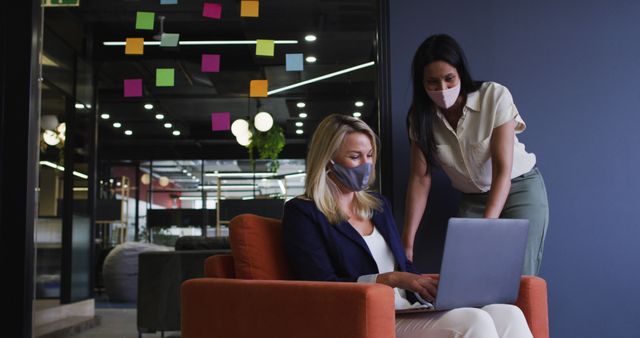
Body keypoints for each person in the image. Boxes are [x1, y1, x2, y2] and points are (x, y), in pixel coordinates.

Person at [282, 114, 533, 338]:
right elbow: (319, 284)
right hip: (368, 317)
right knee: (473, 321)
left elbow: (404, 266)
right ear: (328, 161)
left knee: (506, 312)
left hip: (410, 308)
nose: (366, 165)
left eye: (369, 155)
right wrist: (390, 279)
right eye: (355, 157)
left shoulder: (378, 206)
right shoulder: (303, 213)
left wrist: (430, 287)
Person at [403, 34, 549, 275]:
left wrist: (487, 226)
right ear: (422, 83)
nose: (443, 89)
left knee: (519, 273)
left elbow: (502, 169)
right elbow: (420, 178)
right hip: (472, 199)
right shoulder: (419, 118)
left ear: (460, 73)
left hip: (518, 188)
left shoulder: (494, 95)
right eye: (433, 82)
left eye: (449, 79)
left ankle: (520, 314)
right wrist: (407, 242)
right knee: (469, 276)